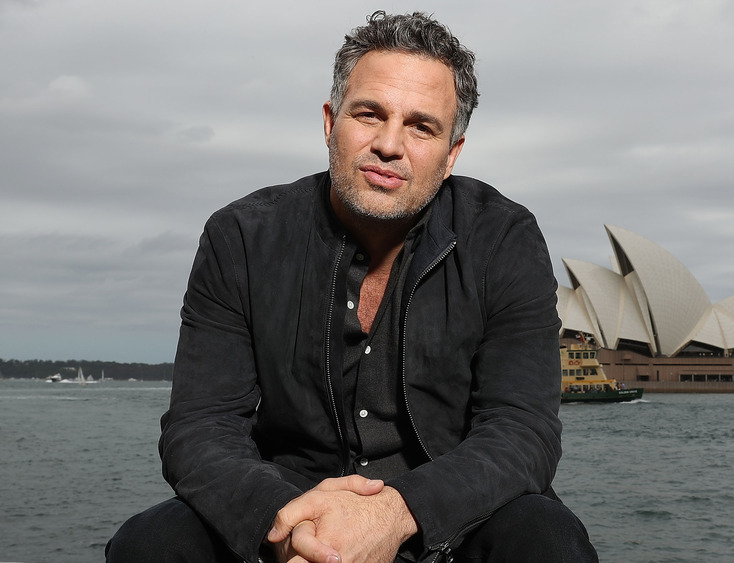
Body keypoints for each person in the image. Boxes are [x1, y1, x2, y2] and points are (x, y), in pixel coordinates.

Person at [106, 10, 598, 563]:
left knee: (545, 538)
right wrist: (291, 524)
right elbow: (200, 428)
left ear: (452, 152)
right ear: (329, 121)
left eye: (421, 126)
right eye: (369, 114)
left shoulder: (505, 237)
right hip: (289, 511)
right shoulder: (240, 237)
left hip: (446, 521)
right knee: (150, 543)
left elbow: (521, 431)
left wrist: (393, 514)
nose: (389, 145)